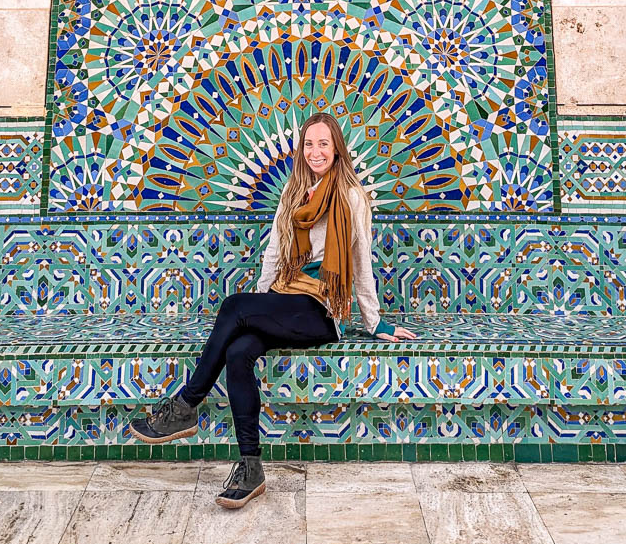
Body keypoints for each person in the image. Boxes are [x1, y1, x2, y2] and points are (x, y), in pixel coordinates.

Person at [128, 111, 416, 508]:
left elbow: (360, 258)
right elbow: (275, 252)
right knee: (237, 351)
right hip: (286, 298)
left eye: (324, 144)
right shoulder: (293, 192)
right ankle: (251, 467)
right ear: (301, 149)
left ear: (337, 150)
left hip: (321, 310)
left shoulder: (351, 196)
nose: (316, 152)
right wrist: (262, 305)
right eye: (309, 144)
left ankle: (186, 405)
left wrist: (376, 321)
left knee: (233, 306)